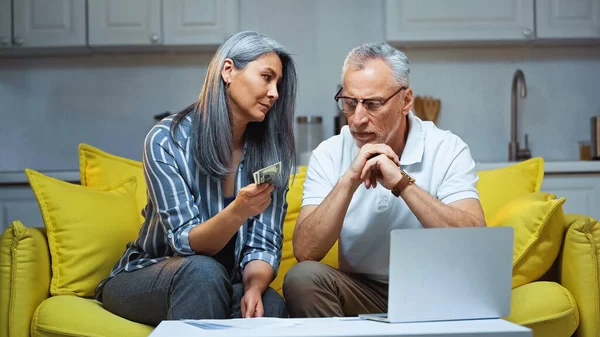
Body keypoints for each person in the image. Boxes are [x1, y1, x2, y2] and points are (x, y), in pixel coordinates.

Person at [96, 30, 297, 325]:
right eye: (266, 77)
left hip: (222, 282)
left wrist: (253, 288)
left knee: (270, 302)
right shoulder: (167, 140)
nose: (274, 93)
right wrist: (239, 209)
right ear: (228, 71)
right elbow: (184, 244)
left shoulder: (270, 151)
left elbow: (264, 244)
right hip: (151, 275)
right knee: (203, 272)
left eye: (278, 83)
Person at [283, 42, 486, 318]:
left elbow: (475, 242)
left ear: (405, 100)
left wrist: (402, 184)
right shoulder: (329, 153)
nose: (357, 119)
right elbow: (305, 252)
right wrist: (349, 180)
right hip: (361, 289)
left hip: (436, 288)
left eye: (372, 104)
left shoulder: (447, 148)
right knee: (302, 277)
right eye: (350, 103)